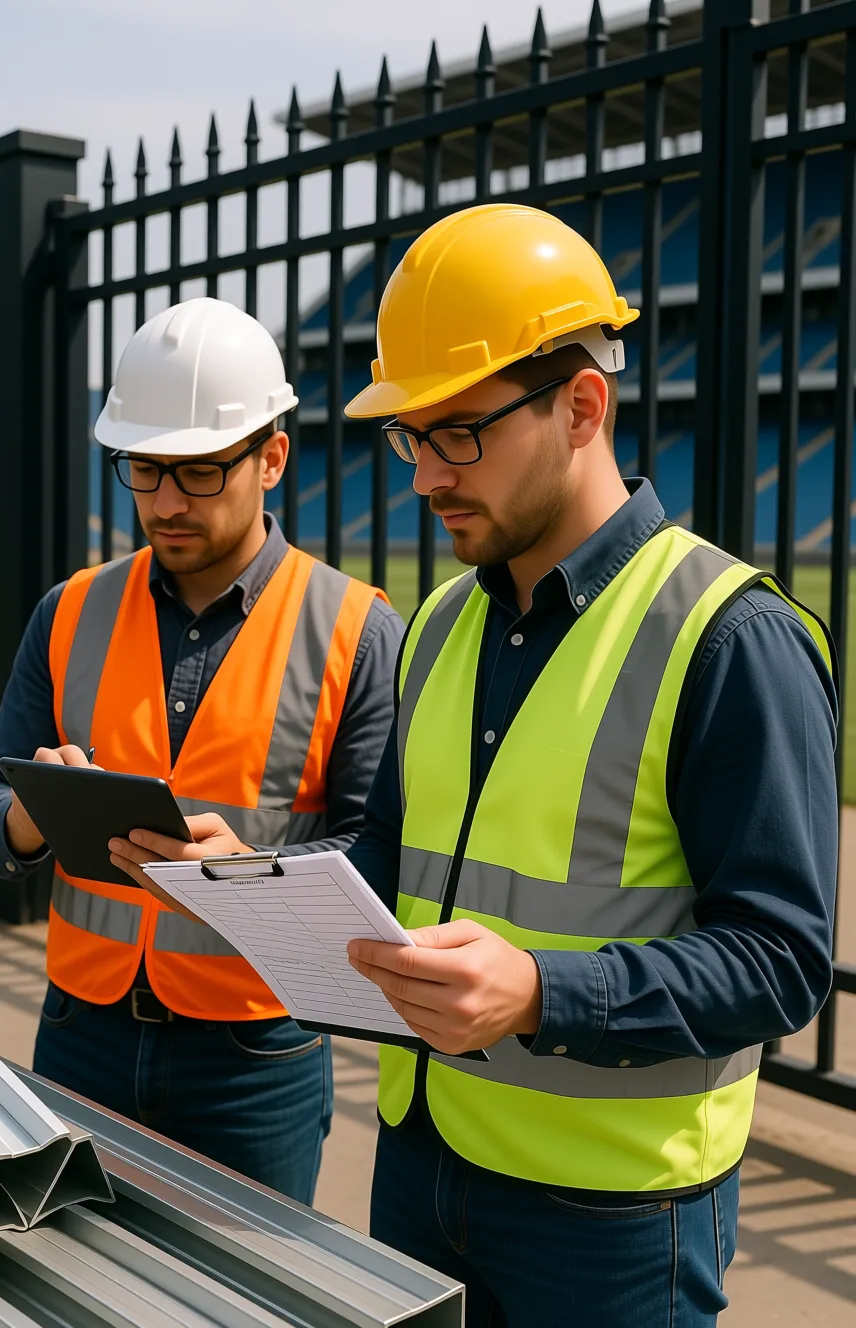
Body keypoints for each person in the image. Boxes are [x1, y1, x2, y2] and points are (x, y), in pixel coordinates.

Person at [340, 204, 838, 1325]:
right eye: (409, 436)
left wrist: (536, 992)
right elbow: (387, 852)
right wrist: (256, 878)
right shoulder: (433, 628)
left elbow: (778, 963)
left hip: (613, 1219)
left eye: (458, 431)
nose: (425, 475)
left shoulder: (724, 635)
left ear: (580, 405)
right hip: (419, 1161)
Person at [0, 296, 404, 1204]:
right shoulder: (69, 610)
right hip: (80, 1031)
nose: (165, 502)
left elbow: (381, 865)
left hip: (253, 1059)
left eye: (199, 473)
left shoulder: (357, 630)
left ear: (271, 458)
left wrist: (254, 873)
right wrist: (34, 821)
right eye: (145, 470)